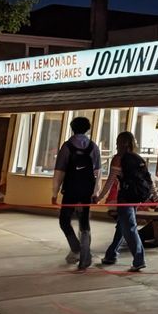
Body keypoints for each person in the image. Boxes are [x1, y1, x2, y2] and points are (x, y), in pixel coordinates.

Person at [98, 131, 158, 272]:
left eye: (117, 142)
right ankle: (111, 254)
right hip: (136, 198)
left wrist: (99, 197)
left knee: (130, 228)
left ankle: (139, 260)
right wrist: (155, 195)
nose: (116, 145)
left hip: (125, 198)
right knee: (122, 226)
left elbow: (110, 181)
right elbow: (148, 179)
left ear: (120, 143)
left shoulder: (118, 159)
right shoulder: (138, 158)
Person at [51, 116, 101, 270]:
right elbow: (98, 173)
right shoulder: (93, 147)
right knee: (84, 223)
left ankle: (76, 248)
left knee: (64, 221)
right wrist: (96, 192)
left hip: (71, 190)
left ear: (72, 128)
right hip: (87, 191)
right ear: (87, 129)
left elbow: (59, 171)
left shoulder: (67, 147)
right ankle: (85, 257)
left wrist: (54, 193)